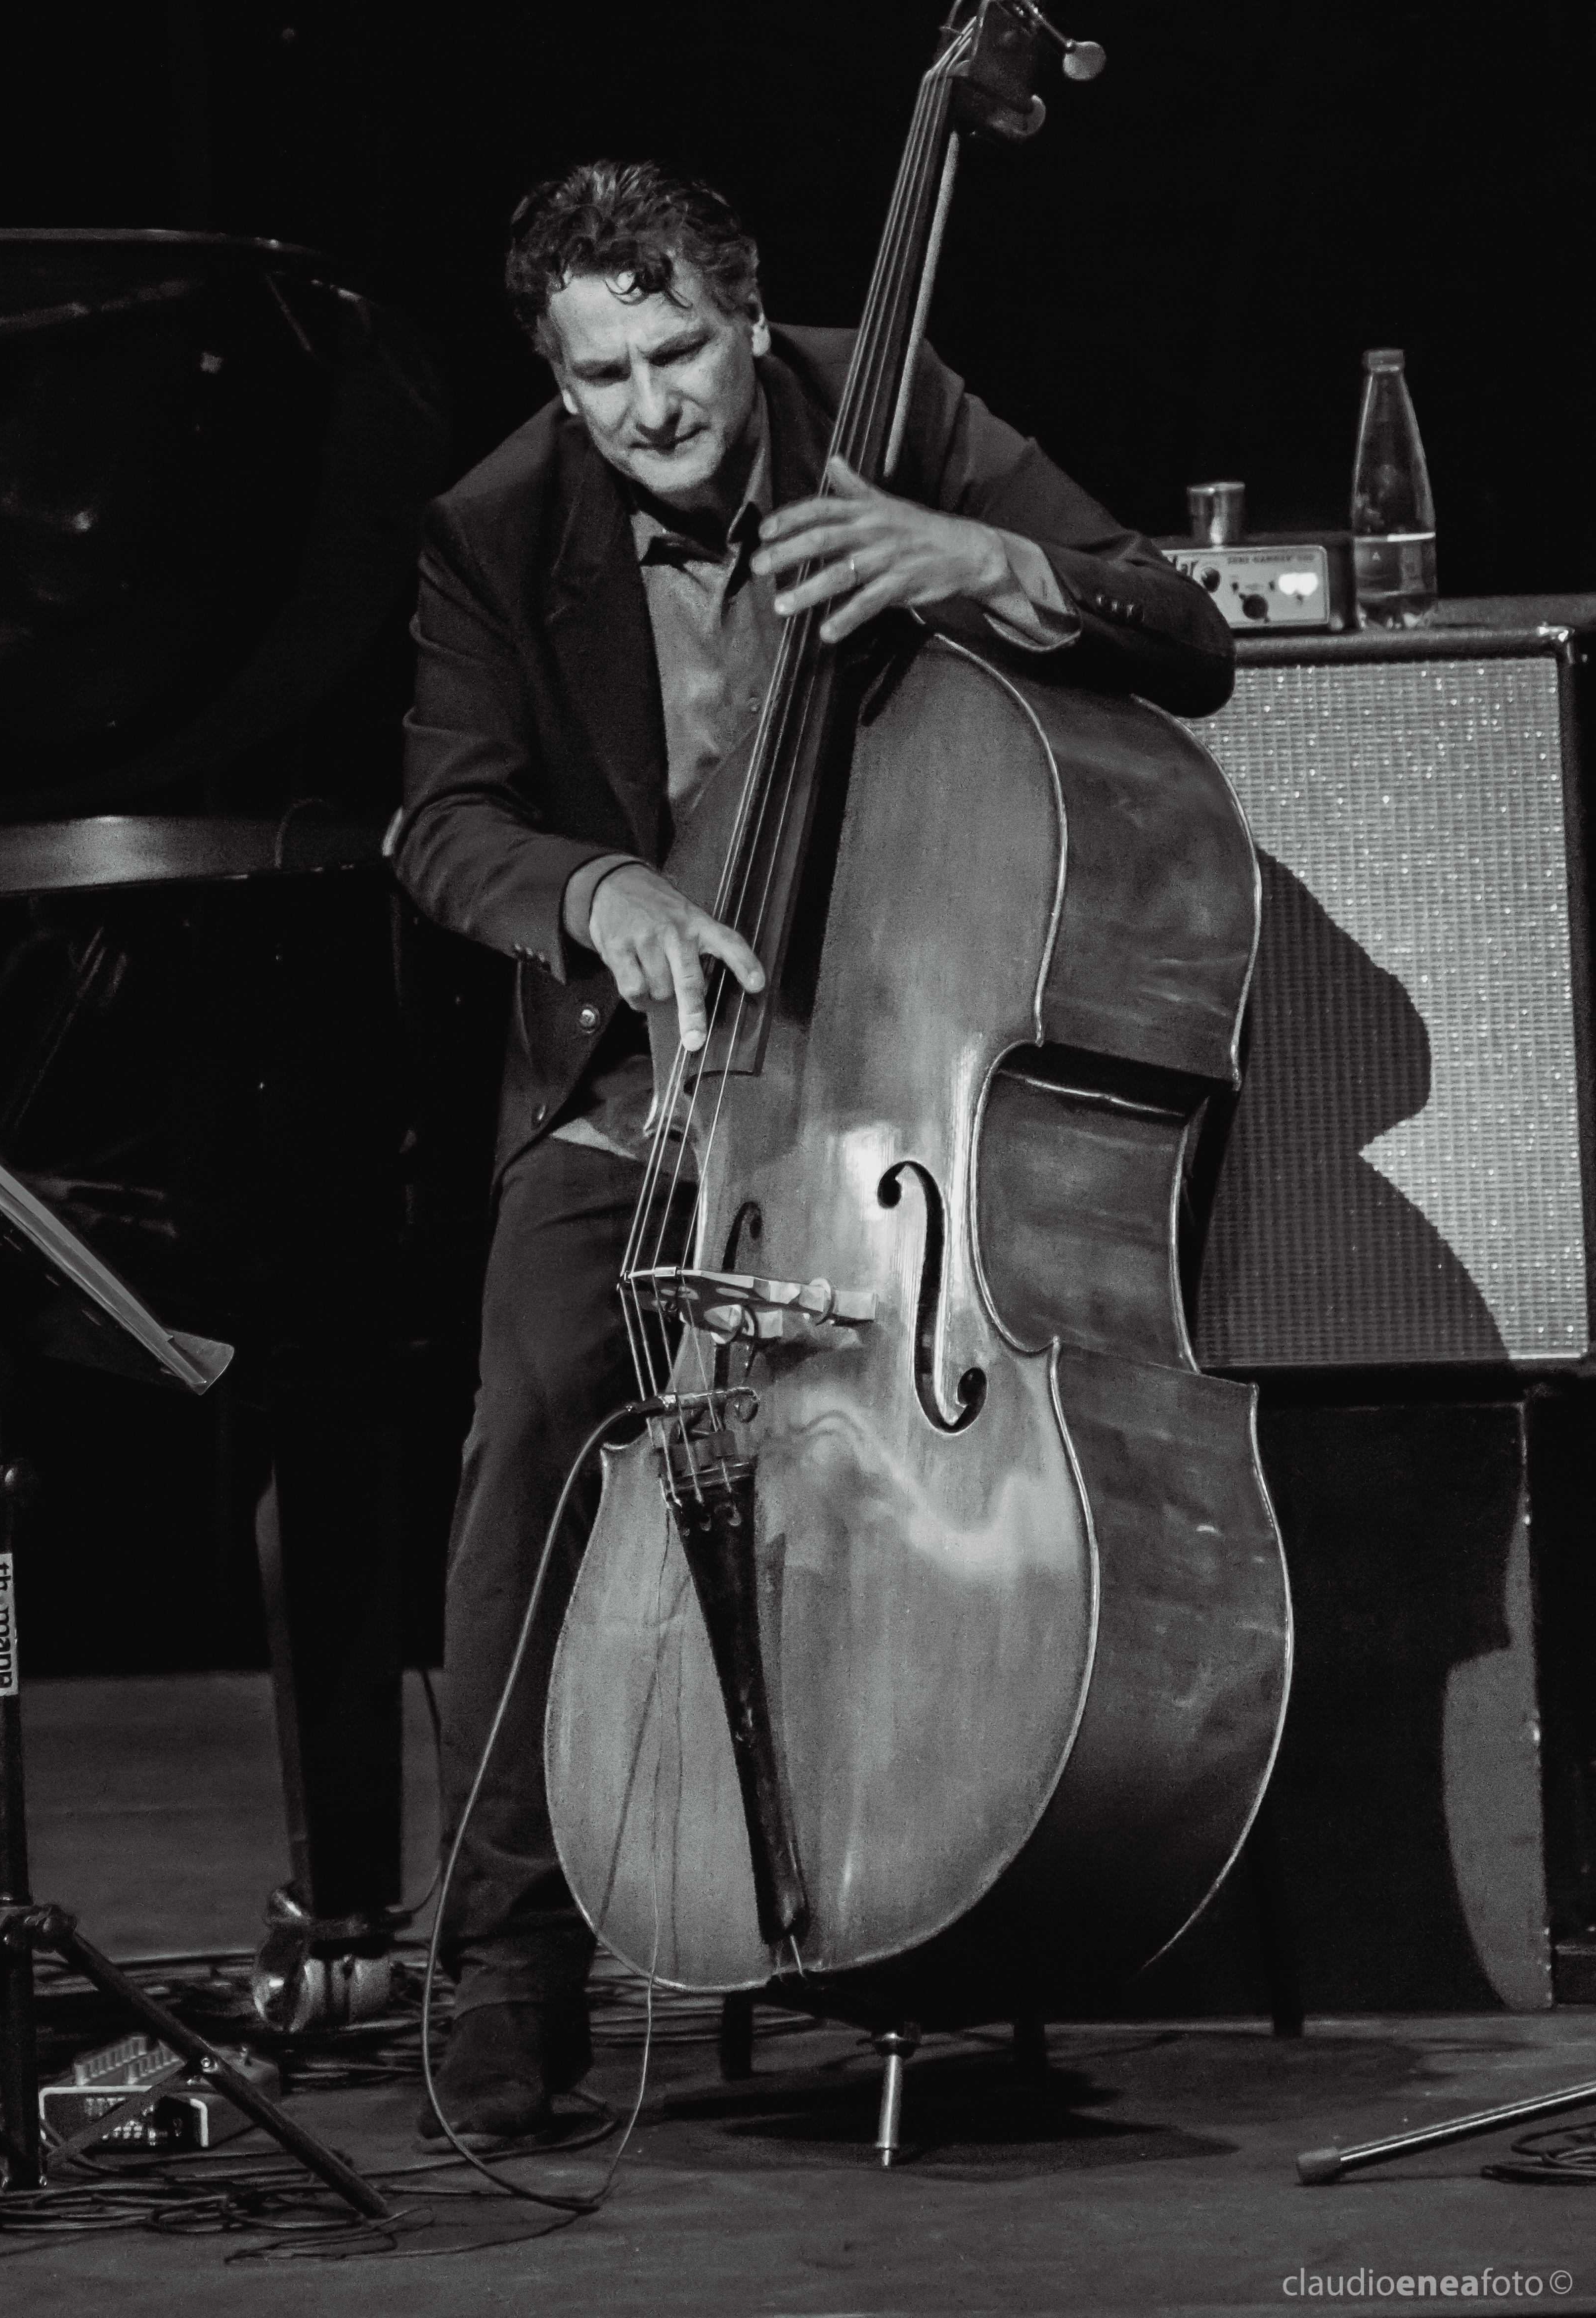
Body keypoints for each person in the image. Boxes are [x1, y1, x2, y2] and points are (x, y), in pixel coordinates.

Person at [393, 158, 1233, 2144]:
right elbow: (444, 825)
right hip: (653, 1077)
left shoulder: (895, 409)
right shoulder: (497, 526)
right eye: (599, 375)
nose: (646, 407)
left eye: (675, 352)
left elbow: (1172, 630)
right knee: (532, 1417)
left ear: (749, 322)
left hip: (894, 1054)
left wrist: (970, 559)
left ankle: (934, 1844)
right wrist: (604, 898)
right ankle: (505, 1964)